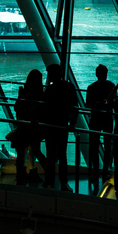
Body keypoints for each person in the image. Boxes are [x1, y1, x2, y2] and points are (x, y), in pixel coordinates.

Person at [42, 63, 77, 191]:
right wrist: (72, 123)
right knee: (62, 155)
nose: (48, 76)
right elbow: (75, 106)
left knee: (51, 155)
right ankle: (63, 183)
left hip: (50, 126)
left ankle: (49, 181)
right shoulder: (69, 87)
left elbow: (44, 108)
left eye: (49, 74)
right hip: (62, 126)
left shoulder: (50, 90)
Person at [85, 64, 116, 191]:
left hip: (96, 119)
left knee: (94, 146)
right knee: (108, 146)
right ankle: (105, 171)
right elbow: (114, 101)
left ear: (96, 74)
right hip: (107, 118)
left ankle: (95, 173)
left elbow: (88, 104)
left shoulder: (91, 87)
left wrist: (97, 104)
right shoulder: (111, 86)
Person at [13, 69, 45, 185]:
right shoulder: (40, 93)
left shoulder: (24, 91)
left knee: (22, 151)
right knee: (34, 150)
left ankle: (21, 175)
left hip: (23, 125)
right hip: (34, 127)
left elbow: (17, 107)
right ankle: (35, 172)